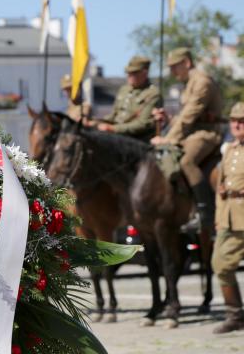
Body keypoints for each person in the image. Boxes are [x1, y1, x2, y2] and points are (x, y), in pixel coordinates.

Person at [151, 47, 223, 229]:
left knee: (186, 161)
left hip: (206, 134)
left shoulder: (202, 82)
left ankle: (204, 212)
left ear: (187, 63)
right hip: (191, 133)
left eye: (175, 66)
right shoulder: (189, 83)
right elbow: (185, 117)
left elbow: (190, 116)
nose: (172, 71)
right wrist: (167, 119)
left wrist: (168, 139)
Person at [211, 102, 244, 334]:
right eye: (234, 121)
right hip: (229, 217)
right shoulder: (229, 150)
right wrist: (218, 216)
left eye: (242, 121)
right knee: (220, 264)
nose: (237, 125)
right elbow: (220, 187)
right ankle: (235, 315)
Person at [95, 56, 162, 141]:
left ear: (145, 73)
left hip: (136, 140)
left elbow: (142, 124)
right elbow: (113, 116)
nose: (129, 76)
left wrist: (113, 129)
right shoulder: (124, 90)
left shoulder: (152, 94)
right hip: (117, 136)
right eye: (128, 73)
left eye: (134, 73)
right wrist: (95, 122)